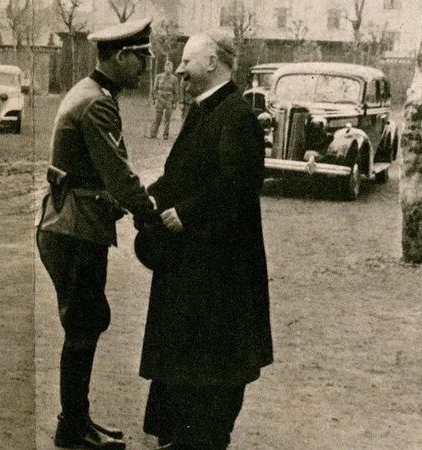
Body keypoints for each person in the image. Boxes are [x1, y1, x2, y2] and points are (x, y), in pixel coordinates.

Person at [138, 28, 273, 450]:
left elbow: (237, 185)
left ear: (212, 62)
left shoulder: (237, 116)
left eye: (186, 62)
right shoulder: (202, 111)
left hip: (222, 270)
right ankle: (181, 437)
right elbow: (181, 176)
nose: (179, 70)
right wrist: (148, 197)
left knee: (216, 364)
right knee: (185, 357)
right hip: (193, 264)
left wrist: (186, 213)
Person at [36, 18, 160, 450]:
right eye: (140, 58)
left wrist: (118, 202)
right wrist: (149, 214)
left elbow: (97, 176)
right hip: (74, 229)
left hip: (74, 224)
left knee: (87, 321)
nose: (144, 68)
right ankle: (72, 428)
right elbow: (119, 175)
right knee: (84, 324)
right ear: (122, 56)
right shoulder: (98, 103)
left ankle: (77, 420)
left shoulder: (94, 94)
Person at [147, 60, 180, 140]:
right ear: (164, 67)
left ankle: (165, 135)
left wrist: (175, 102)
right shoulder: (159, 76)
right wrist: (154, 98)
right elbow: (155, 89)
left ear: (172, 69)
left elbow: (176, 91)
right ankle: (153, 134)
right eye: (167, 67)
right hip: (160, 99)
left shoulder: (174, 79)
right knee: (157, 117)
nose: (168, 69)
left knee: (168, 119)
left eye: (170, 67)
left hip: (169, 100)